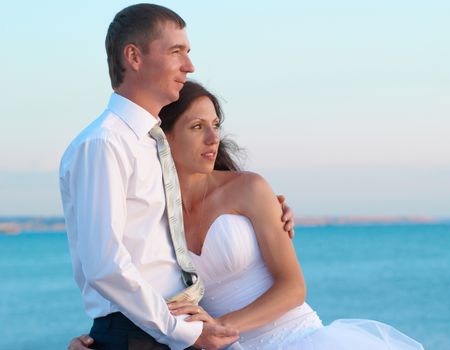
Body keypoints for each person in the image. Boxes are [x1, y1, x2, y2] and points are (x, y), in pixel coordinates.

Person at [70, 81, 425, 350]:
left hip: (296, 338)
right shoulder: (151, 212)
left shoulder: (249, 189)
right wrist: (97, 339)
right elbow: (121, 275)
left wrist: (218, 328)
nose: (213, 138)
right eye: (197, 127)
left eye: (215, 124)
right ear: (164, 138)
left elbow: (293, 288)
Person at [60, 4, 294, 350]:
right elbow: (104, 264)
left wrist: (269, 212)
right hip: (142, 333)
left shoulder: (150, 144)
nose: (190, 65)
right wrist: (187, 333)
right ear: (134, 57)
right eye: (176, 52)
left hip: (164, 332)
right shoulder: (104, 143)